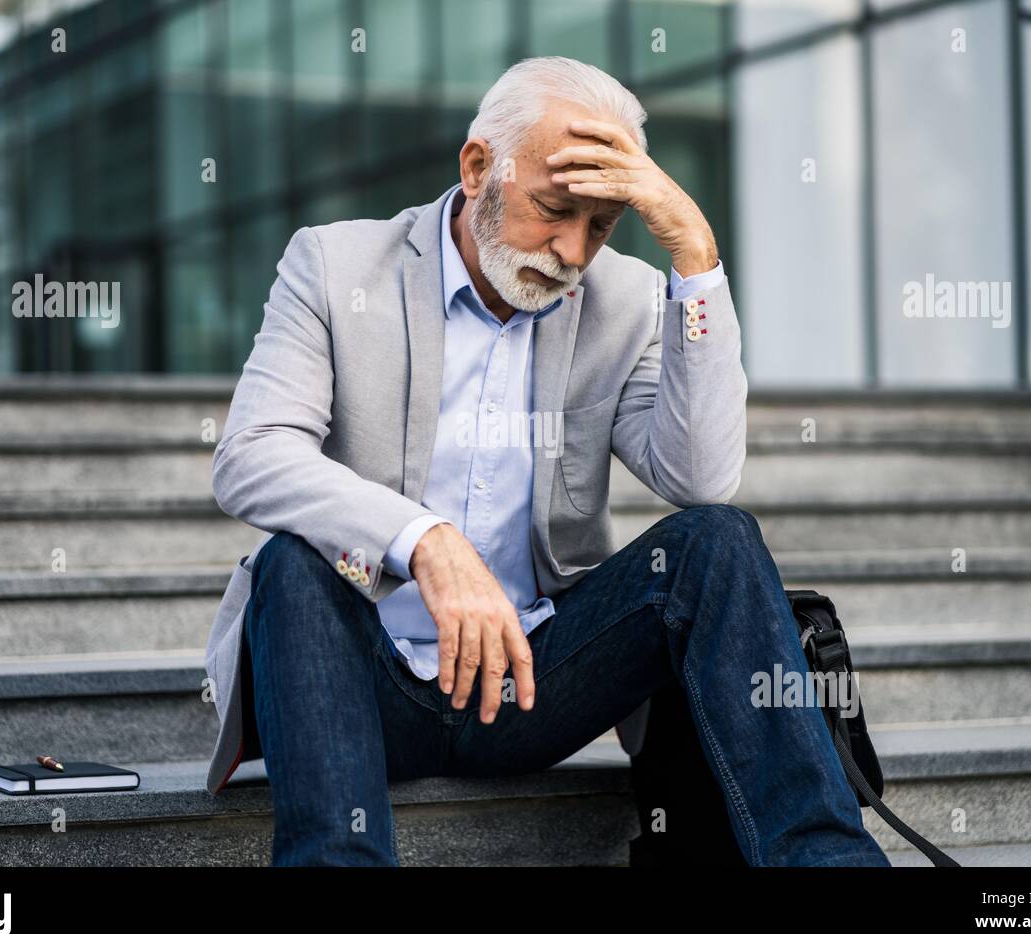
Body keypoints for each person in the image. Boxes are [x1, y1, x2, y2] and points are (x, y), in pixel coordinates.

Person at [202, 55, 889, 867]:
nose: (570, 250)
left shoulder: (624, 300)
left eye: (600, 227)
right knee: (296, 564)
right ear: (476, 166)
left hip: (532, 684)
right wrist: (425, 540)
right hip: (358, 683)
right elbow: (251, 452)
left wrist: (696, 260)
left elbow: (699, 478)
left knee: (717, 540)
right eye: (554, 210)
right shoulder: (337, 265)